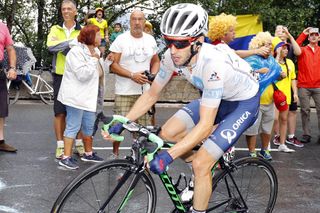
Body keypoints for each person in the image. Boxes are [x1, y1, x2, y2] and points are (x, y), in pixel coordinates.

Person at [104, 4, 260, 213]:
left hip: (243, 103)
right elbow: (151, 94)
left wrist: (169, 156)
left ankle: (201, 176)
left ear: (198, 42)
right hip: (217, 97)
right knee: (168, 133)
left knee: (202, 164)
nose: (173, 50)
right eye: (168, 42)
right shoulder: (170, 57)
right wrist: (124, 121)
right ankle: (200, 176)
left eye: (180, 43)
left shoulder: (212, 63)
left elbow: (205, 125)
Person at [108, 9, 160, 159]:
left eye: (140, 19)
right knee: (119, 126)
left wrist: (153, 75)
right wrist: (132, 75)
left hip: (145, 92)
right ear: (129, 22)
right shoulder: (121, 39)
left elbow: (155, 61)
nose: (137, 22)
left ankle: (139, 156)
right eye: (134, 19)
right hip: (124, 91)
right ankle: (114, 154)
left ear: (144, 22)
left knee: (143, 128)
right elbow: (114, 65)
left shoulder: (150, 40)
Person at [57, 25, 104, 170]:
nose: (100, 38)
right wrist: (94, 60)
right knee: (73, 126)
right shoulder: (75, 52)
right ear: (90, 36)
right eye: (98, 35)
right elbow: (83, 75)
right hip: (75, 97)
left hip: (88, 97)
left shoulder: (95, 51)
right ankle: (66, 157)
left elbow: (99, 73)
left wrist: (101, 60)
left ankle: (88, 153)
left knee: (88, 126)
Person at [243, 32, 292, 159]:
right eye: (267, 44)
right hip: (255, 101)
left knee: (267, 128)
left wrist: (280, 76)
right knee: (252, 128)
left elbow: (273, 79)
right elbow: (244, 77)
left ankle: (265, 150)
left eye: (271, 45)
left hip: (269, 101)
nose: (270, 47)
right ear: (259, 45)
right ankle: (252, 151)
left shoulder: (271, 60)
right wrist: (258, 71)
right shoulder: (251, 59)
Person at [47, 0, 84, 159]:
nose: (66, 11)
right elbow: (50, 46)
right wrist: (72, 43)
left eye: (69, 8)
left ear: (75, 11)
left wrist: (63, 45)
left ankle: (79, 144)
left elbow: (86, 48)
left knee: (78, 112)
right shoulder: (55, 28)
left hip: (78, 76)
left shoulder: (82, 30)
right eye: (64, 9)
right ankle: (60, 146)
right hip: (60, 75)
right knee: (60, 113)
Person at [274, 25, 303, 146]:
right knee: (275, 116)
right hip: (276, 86)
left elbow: (299, 52)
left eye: (283, 30)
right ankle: (277, 136)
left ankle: (290, 137)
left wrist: (289, 35)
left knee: (291, 112)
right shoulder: (272, 45)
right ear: (275, 33)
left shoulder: (290, 46)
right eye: (278, 30)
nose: (281, 32)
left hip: (289, 83)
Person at [295, 27, 320, 144]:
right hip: (304, 86)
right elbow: (294, 47)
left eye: (316, 34)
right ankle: (306, 134)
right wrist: (303, 34)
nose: (313, 36)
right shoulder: (303, 50)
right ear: (308, 37)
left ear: (319, 37)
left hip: (318, 86)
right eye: (311, 35)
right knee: (305, 110)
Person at [0, 21, 17, 152]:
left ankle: (0, 141)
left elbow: (10, 49)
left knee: (1, 107)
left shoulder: (2, 26)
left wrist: (12, 68)